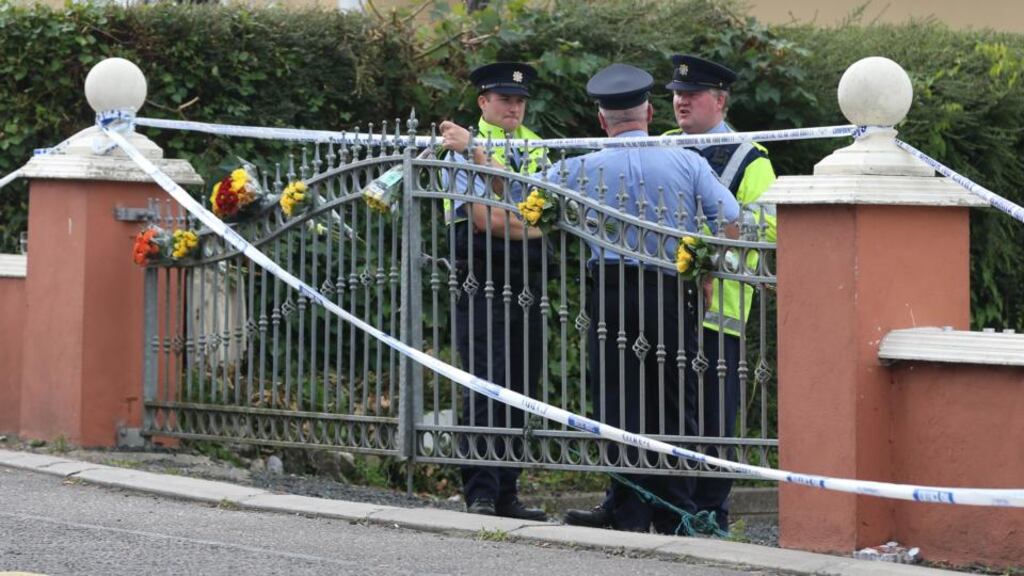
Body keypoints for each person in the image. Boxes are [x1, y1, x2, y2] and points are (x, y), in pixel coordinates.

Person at [558, 64, 740, 534]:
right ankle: (675, 510)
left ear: (601, 120)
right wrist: (709, 267)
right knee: (677, 399)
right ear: (650, 111)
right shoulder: (688, 161)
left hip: (613, 294)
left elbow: (515, 192)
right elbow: (732, 218)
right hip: (671, 288)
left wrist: (477, 153)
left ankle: (629, 510)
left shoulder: (579, 166)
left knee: (619, 403)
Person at [662, 54, 777, 532]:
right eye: (676, 94)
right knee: (661, 411)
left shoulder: (751, 158)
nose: (681, 101)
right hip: (662, 306)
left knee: (712, 417)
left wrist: (710, 251)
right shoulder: (660, 144)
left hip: (718, 314)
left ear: (720, 101)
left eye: (692, 95)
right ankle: (665, 504)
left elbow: (767, 229)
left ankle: (711, 513)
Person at [438, 62, 548, 521]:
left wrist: (524, 217)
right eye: (505, 100)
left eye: (520, 100)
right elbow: (485, 219)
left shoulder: (538, 146)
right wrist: (532, 222)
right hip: (479, 274)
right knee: (486, 382)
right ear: (484, 102)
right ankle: (480, 491)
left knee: (522, 383)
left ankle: (507, 492)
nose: (514, 107)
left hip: (527, 279)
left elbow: (548, 210)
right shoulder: (456, 150)